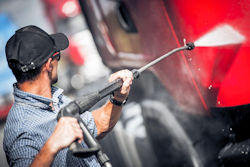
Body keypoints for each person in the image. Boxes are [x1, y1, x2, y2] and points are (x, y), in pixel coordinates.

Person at [3, 25, 133, 167]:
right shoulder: (21, 129)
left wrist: (117, 99)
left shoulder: (55, 98)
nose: (58, 61)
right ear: (48, 65)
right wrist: (52, 146)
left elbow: (97, 126)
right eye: (57, 55)